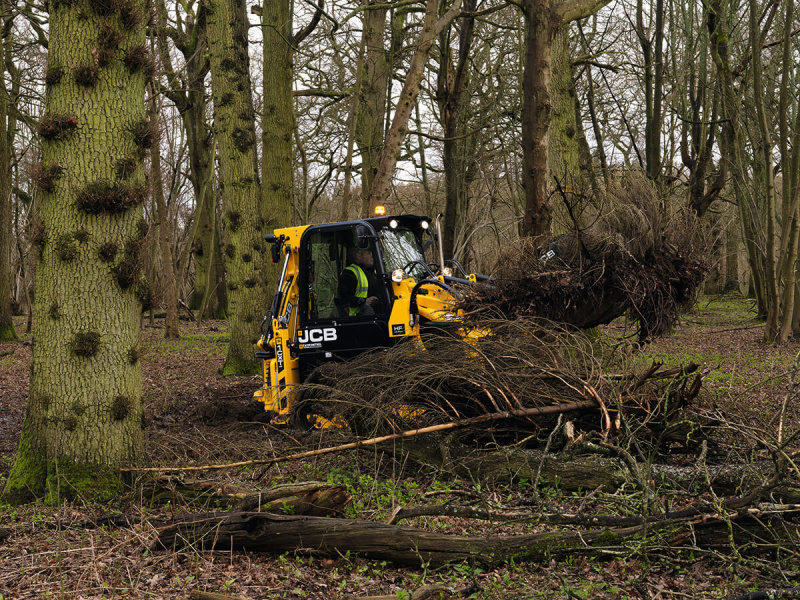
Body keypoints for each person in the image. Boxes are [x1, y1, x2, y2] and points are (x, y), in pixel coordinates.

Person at [339, 246, 380, 316]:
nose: (372, 255)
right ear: (359, 256)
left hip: (378, 315)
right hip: (357, 317)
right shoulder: (350, 273)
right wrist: (364, 301)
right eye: (368, 252)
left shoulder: (376, 272)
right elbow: (345, 298)